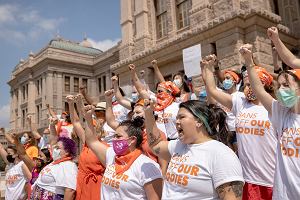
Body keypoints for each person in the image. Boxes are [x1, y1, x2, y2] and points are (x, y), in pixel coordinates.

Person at [203, 52, 277, 200]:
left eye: (252, 84)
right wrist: (209, 68)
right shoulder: (239, 101)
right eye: (246, 84)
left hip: (272, 179)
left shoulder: (274, 107)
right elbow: (212, 89)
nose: (248, 88)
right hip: (247, 179)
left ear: (264, 85)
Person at [143, 99, 244, 199]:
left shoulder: (221, 154)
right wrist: (148, 113)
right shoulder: (178, 146)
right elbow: (156, 145)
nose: (176, 121)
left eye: (181, 117)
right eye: (177, 118)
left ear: (199, 121)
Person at [240, 44, 300, 200]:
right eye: (279, 86)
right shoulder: (281, 114)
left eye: (286, 86)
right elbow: (259, 89)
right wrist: (248, 60)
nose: (280, 90)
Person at [80, 104, 163, 200]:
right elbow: (92, 141)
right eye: (114, 136)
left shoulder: (147, 166)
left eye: (118, 136)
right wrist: (88, 117)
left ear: (132, 140)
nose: (114, 139)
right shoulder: (111, 155)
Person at [104, 89, 168, 175]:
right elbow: (111, 121)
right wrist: (108, 101)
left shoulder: (158, 135)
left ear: (149, 113)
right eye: (133, 113)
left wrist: (161, 183)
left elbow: (163, 165)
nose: (135, 115)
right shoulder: (131, 130)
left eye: (138, 112)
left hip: (150, 177)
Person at [66, 94, 107, 200]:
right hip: (82, 182)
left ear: (100, 132)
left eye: (93, 129)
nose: (89, 131)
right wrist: (71, 104)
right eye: (89, 128)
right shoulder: (86, 142)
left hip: (97, 184)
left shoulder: (105, 147)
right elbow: (75, 122)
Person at [30, 118, 78, 200]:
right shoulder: (57, 161)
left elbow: (70, 191)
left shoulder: (68, 166)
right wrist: (52, 125)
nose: (54, 149)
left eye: (57, 148)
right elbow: (53, 139)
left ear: (67, 152)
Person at [130, 63, 180, 140]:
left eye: (160, 91)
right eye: (157, 92)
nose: (158, 94)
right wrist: (133, 72)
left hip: (176, 141)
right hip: (159, 142)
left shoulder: (178, 105)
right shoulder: (155, 102)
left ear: (169, 92)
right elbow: (141, 90)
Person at [0, 128, 31, 200]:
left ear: (16, 154)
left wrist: (25, 197)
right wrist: (3, 132)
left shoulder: (22, 165)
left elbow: (31, 180)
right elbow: (1, 148)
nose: (7, 155)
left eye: (9, 153)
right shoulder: (10, 165)